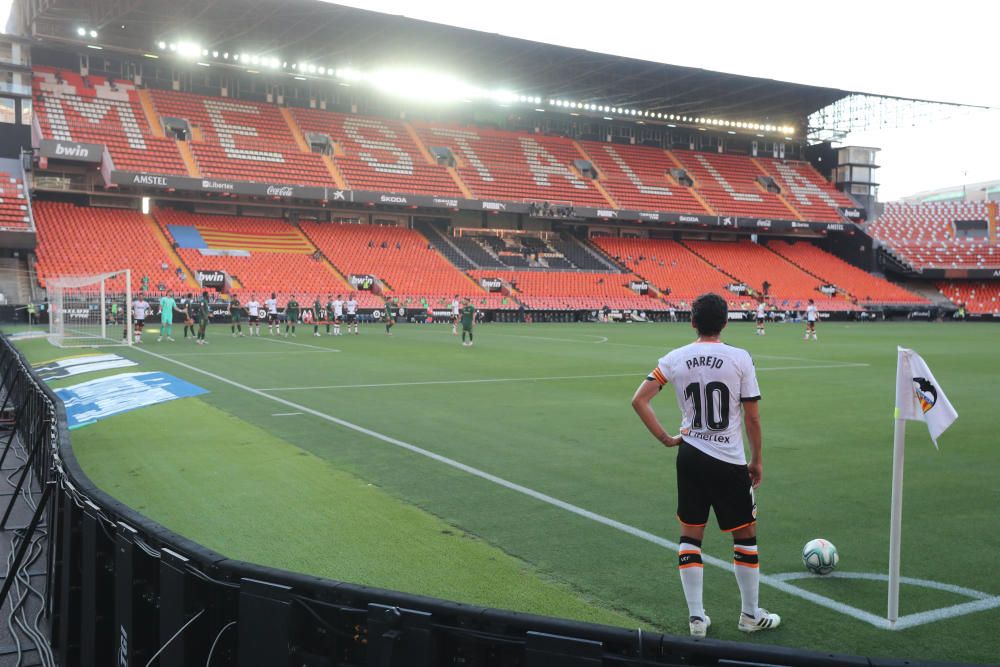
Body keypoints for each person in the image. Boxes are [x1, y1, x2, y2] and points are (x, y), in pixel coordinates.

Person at [630, 292, 779, 638]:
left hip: (691, 457)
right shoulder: (740, 358)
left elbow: (638, 400)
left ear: (693, 322)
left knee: (690, 535)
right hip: (729, 460)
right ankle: (749, 615)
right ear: (726, 322)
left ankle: (697, 619)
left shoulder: (676, 358)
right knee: (745, 536)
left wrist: (666, 438)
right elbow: (752, 418)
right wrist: (756, 460)